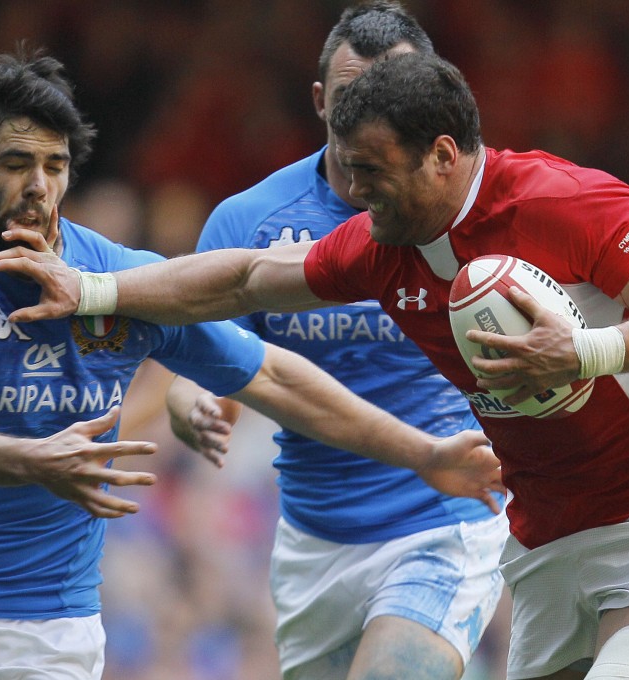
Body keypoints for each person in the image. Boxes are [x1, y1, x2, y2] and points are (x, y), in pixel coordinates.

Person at [0, 51, 629, 680]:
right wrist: (93, 286)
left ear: (443, 156)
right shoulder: (379, 245)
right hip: (547, 544)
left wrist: (588, 350)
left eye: (370, 170)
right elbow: (244, 278)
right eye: (343, 167)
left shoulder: (561, 201)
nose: (351, 191)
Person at [0, 48, 503, 680]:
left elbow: (270, 375)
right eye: (15, 164)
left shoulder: (122, 281)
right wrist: (32, 459)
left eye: (55, 166)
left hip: (47, 633)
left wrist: (423, 453)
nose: (39, 187)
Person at [162, 4, 507, 679]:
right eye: (353, 99)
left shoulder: (474, 214)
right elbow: (207, 358)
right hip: (313, 542)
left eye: (398, 98)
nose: (374, 120)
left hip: (440, 521)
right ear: (321, 102)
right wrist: (191, 396)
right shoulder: (251, 220)